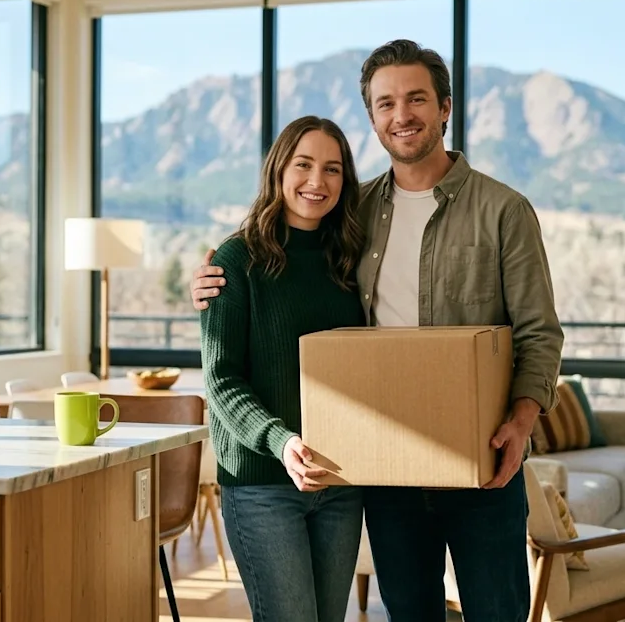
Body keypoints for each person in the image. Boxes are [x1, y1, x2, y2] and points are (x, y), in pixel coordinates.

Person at [192, 40, 565, 621]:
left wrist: (521, 423)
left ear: (445, 106)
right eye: (386, 103)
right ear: (372, 118)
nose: (402, 115)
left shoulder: (502, 210)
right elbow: (278, 258)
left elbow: (539, 333)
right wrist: (210, 281)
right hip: (385, 469)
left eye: (417, 98)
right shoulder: (354, 213)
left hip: (481, 463)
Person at [199, 115, 369, 622]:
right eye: (304, 164)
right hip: (262, 485)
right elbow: (221, 380)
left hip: (340, 482)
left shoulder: (349, 261)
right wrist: (281, 441)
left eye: (332, 169)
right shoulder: (236, 261)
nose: (317, 181)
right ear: (278, 170)